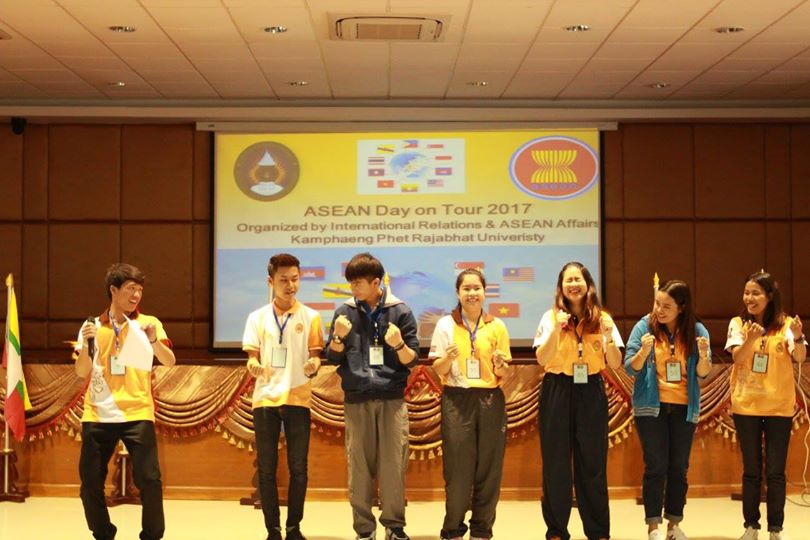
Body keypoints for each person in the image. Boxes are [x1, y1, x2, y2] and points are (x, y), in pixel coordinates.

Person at [74, 263, 176, 540]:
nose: (136, 295)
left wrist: (154, 341)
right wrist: (86, 346)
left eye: (140, 290)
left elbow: (169, 361)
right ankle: (103, 533)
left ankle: (152, 536)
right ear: (113, 290)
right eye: (131, 289)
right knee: (90, 483)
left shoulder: (149, 323)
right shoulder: (92, 325)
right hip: (98, 414)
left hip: (138, 412)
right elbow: (81, 372)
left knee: (150, 479)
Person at [326, 253, 420, 540]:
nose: (353, 289)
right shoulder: (344, 312)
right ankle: (364, 529)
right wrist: (338, 337)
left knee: (393, 465)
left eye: (358, 283)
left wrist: (399, 344)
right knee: (359, 468)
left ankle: (394, 526)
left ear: (376, 282)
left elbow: (412, 360)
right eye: (351, 283)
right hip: (357, 399)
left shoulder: (400, 311)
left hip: (392, 399)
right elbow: (333, 357)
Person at [533, 261, 623, 540]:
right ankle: (557, 531)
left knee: (592, 464)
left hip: (591, 391)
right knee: (556, 464)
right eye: (568, 280)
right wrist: (557, 330)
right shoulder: (550, 317)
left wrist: (608, 339)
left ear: (588, 284)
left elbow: (615, 363)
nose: (573, 284)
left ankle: (598, 531)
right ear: (561, 287)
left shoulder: (603, 319)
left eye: (578, 279)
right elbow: (542, 359)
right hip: (557, 389)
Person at [242, 253, 324, 540]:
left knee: (298, 468)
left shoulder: (311, 317)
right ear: (271, 282)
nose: (290, 286)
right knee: (267, 468)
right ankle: (272, 529)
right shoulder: (257, 318)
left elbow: (316, 356)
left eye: (295, 279)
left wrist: (314, 365)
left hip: (298, 397)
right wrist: (253, 365)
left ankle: (294, 527)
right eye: (283, 280)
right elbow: (251, 357)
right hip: (265, 398)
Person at [624, 280, 712, 540]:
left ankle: (674, 524)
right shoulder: (644, 326)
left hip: (684, 407)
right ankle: (654, 526)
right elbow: (630, 367)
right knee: (656, 466)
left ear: (681, 308)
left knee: (678, 467)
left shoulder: (697, 330)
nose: (659, 310)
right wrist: (643, 352)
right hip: (651, 407)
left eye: (667, 306)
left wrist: (704, 356)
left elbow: (703, 373)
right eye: (657, 304)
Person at [430, 268, 512, 540]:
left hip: (490, 400)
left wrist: (500, 365)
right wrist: (448, 358)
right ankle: (453, 529)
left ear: (485, 292)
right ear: (458, 292)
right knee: (458, 469)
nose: (472, 293)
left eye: (477, 288)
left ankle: (481, 529)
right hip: (457, 399)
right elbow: (438, 369)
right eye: (466, 288)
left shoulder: (497, 326)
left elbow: (503, 372)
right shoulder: (445, 325)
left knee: (490, 468)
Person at [725, 271, 806, 540]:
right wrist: (750, 338)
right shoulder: (738, 323)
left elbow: (800, 357)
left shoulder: (786, 325)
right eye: (746, 293)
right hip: (746, 406)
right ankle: (751, 526)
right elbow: (737, 358)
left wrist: (798, 337)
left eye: (756, 293)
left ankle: (775, 529)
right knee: (751, 471)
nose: (749, 298)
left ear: (769, 296)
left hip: (779, 407)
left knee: (775, 472)